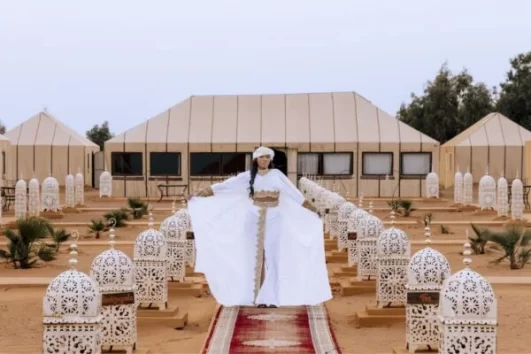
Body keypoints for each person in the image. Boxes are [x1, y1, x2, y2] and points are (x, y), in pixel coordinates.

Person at [187, 146, 332, 308]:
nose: (265, 160)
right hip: (253, 218)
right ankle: (252, 296)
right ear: (256, 159)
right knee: (253, 256)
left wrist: (311, 208)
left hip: (275, 218)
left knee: (273, 257)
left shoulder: (277, 175)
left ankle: (271, 298)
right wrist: (203, 193)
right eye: (262, 157)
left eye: (267, 157)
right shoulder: (248, 176)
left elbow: (293, 193)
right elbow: (227, 185)